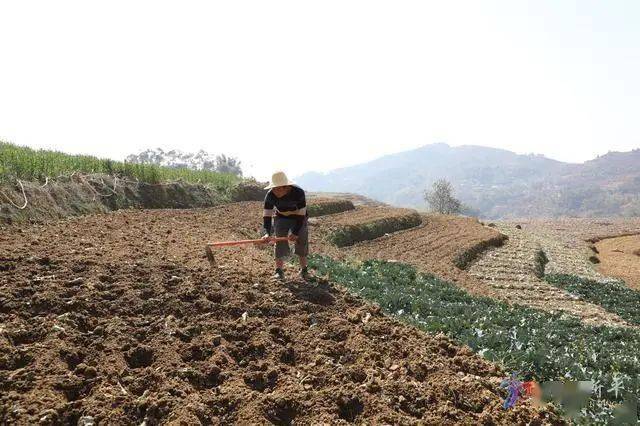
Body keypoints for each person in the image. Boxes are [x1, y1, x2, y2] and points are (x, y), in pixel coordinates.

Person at [261, 171, 309, 280]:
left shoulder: (298, 193)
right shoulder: (270, 195)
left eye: (278, 188)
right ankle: (279, 271)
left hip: (298, 217)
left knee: (301, 240)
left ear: (286, 187)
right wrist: (267, 233)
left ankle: (304, 270)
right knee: (279, 241)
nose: (275, 191)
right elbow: (267, 215)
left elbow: (301, 215)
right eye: (273, 188)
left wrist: (295, 232)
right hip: (281, 216)